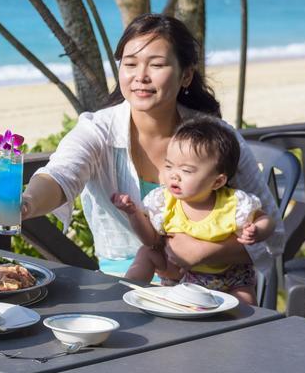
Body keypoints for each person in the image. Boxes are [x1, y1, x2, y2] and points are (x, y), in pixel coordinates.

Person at [0, 13, 283, 283]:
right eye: (129, 64)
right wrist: (25, 203)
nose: (140, 76)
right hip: (125, 285)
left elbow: (274, 238)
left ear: (186, 75)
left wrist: (205, 253)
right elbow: (60, 175)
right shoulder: (98, 129)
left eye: (156, 65)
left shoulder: (218, 138)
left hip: (211, 292)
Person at [111, 118, 274, 303]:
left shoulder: (233, 203)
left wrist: (258, 230)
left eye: (186, 170)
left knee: (245, 302)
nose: (174, 175)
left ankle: (246, 326)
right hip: (179, 274)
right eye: (168, 166)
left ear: (217, 181)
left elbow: (266, 219)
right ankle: (127, 291)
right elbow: (151, 240)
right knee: (147, 252)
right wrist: (133, 213)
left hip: (228, 277)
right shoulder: (164, 202)